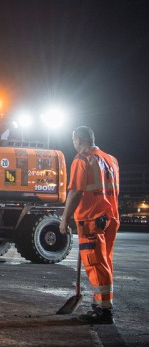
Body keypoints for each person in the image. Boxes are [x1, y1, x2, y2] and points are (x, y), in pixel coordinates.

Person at [59, 126, 120, 324]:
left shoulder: (82, 159)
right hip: (110, 218)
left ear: (77, 139)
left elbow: (75, 192)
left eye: (73, 141)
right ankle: (100, 304)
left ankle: (104, 310)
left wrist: (65, 218)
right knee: (105, 263)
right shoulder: (111, 160)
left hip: (92, 220)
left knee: (95, 263)